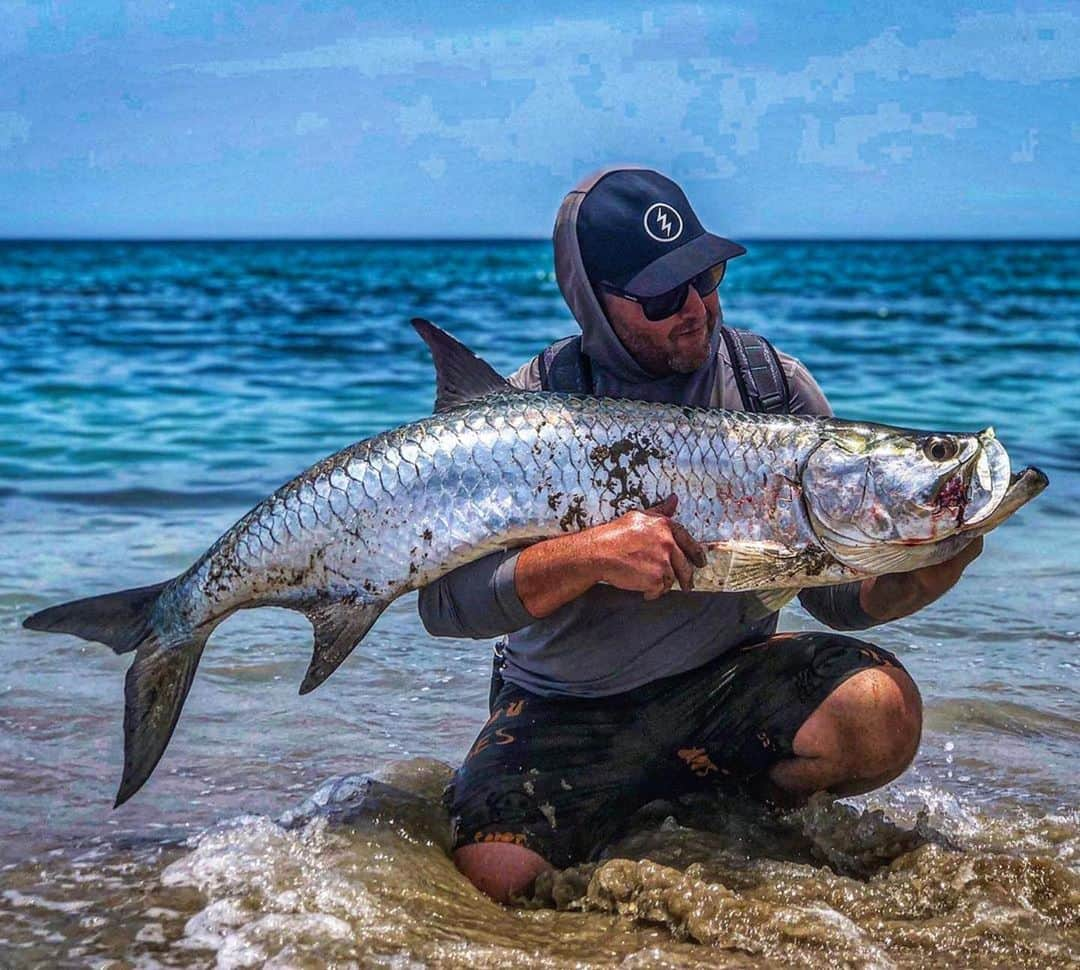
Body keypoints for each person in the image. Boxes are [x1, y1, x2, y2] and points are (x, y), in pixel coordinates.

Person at [417, 166, 983, 902]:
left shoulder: (769, 387)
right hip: (563, 705)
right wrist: (587, 557)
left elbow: (833, 595)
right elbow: (444, 606)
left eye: (706, 276)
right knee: (495, 884)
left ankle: (717, 818)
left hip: (725, 683)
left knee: (879, 712)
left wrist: (915, 576)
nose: (695, 308)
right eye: (660, 296)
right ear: (594, 302)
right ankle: (633, 813)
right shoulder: (526, 417)